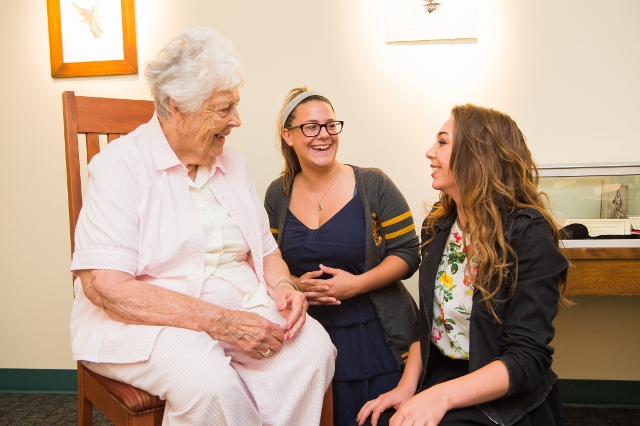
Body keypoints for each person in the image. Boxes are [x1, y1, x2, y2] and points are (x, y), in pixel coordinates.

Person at [69, 28, 335, 425]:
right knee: (210, 385)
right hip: (151, 324)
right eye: (223, 108)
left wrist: (283, 286)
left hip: (241, 306)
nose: (237, 120)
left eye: (235, 106)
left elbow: (266, 253)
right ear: (177, 108)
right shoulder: (120, 166)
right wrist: (222, 324)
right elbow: (107, 287)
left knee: (314, 352)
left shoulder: (232, 164)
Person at [355, 104, 569, 426]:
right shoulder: (438, 227)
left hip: (502, 393)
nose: (430, 152)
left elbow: (526, 358)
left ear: (477, 156)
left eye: (442, 142)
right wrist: (405, 389)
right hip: (443, 374)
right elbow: (425, 325)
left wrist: (438, 398)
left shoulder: (528, 235)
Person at [264, 87, 421, 426]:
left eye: (330, 125)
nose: (323, 135)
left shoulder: (373, 184)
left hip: (376, 335)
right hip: (307, 337)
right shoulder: (277, 194)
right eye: (311, 127)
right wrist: (293, 283)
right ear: (288, 136)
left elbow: (409, 253)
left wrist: (357, 285)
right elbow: (267, 260)